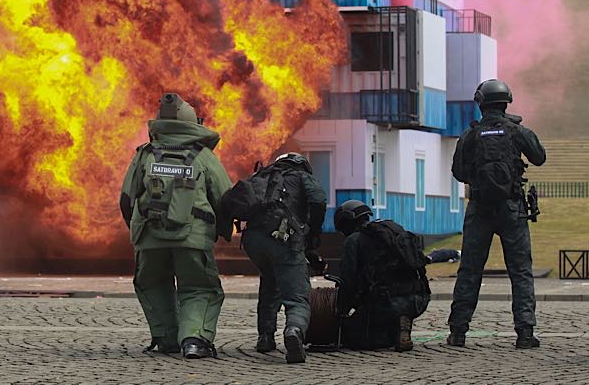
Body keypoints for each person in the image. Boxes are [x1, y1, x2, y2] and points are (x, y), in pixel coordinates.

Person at [119, 93, 233, 359]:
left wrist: (137, 232)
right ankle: (194, 340)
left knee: (153, 284)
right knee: (199, 288)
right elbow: (225, 198)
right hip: (192, 239)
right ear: (193, 123)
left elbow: (126, 199)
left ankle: (167, 338)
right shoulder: (203, 156)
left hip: (149, 239)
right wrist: (222, 230)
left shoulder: (144, 155)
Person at [447, 79, 546, 349]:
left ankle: (458, 331)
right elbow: (539, 157)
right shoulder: (516, 131)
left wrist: (480, 179)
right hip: (512, 208)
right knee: (521, 271)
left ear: (480, 103)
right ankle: (525, 333)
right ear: (506, 102)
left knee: (469, 269)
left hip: (479, 209)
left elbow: (457, 172)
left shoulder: (470, 135)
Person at [222, 152, 326, 364]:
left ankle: (265, 337)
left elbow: (230, 199)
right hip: (283, 237)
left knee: (270, 281)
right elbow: (318, 199)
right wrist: (312, 230)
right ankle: (294, 330)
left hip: (253, 240)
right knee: (297, 296)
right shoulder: (301, 176)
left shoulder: (262, 176)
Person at [333, 200, 431, 352]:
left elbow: (348, 280)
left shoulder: (353, 241)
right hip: (418, 299)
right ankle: (400, 324)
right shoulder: (395, 232)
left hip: (384, 302)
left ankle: (394, 323)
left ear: (346, 223)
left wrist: (340, 310)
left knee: (350, 336)